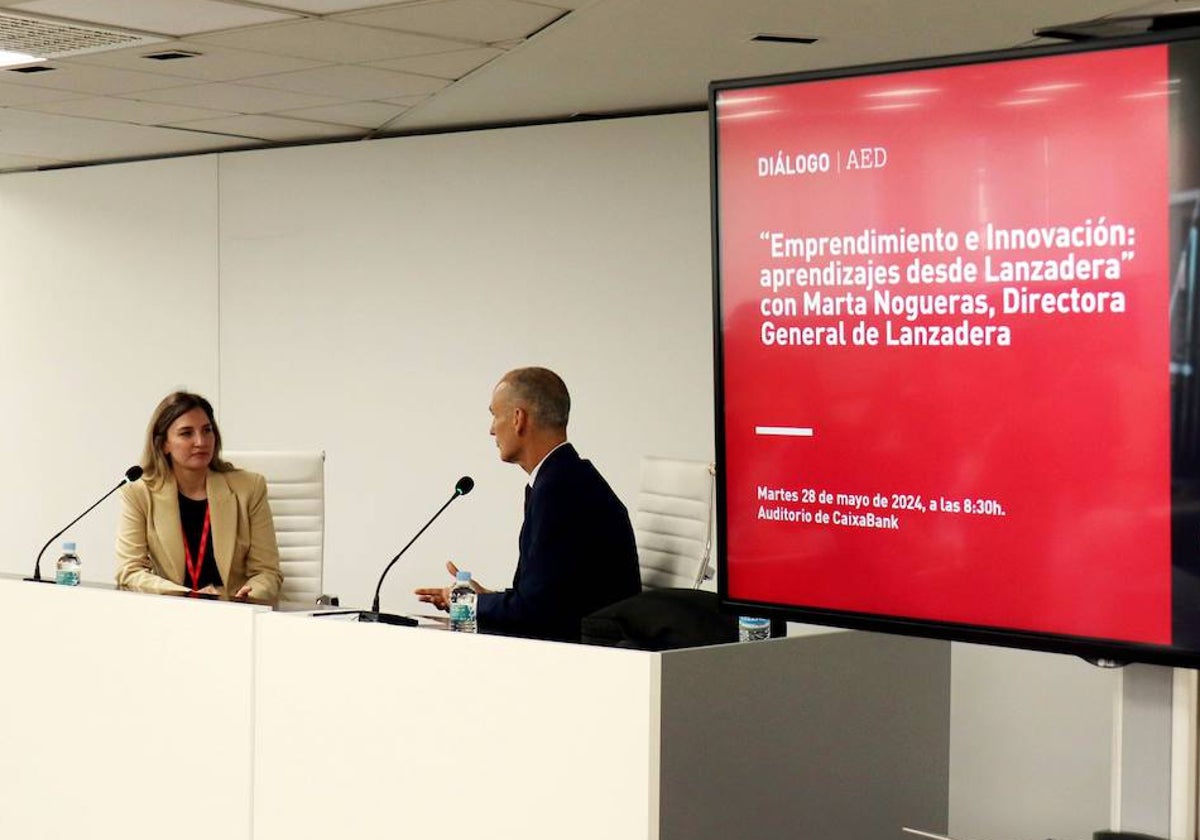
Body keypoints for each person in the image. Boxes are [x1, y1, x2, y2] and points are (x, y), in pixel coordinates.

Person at [415, 367, 641, 641]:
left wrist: (467, 603)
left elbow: (536, 613)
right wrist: (482, 599)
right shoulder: (565, 477)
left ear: (518, 419)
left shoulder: (560, 490)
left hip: (585, 659)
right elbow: (543, 596)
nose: (490, 430)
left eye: (494, 415)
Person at [115, 391, 283, 604]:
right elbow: (129, 571)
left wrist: (246, 595)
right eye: (186, 433)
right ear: (163, 443)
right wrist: (190, 597)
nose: (201, 441)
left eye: (207, 430)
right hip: (172, 611)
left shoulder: (249, 488)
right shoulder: (139, 493)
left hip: (234, 611)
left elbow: (267, 572)